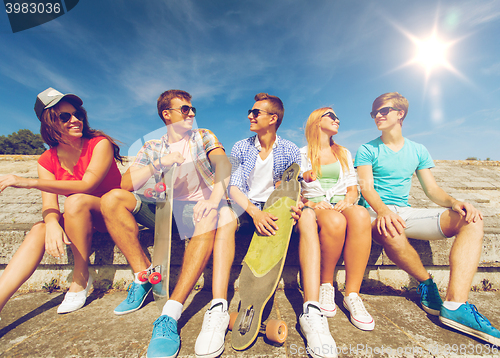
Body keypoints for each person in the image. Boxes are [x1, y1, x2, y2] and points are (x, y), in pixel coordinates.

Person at [194, 93, 337, 358]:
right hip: (246, 208)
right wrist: (253, 212)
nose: (250, 115)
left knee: (307, 217)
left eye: (255, 112)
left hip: (275, 211)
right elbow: (234, 187)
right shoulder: (240, 147)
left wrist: (293, 205)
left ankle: (312, 312)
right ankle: (218, 308)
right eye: (250, 112)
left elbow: (290, 187)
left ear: (273, 118)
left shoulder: (290, 150)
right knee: (224, 217)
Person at [354, 92, 500, 345]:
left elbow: (432, 191)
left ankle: (455, 305)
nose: (377, 115)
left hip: (404, 210)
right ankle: (426, 283)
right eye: (374, 112)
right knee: (392, 227)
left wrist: (455, 203)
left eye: (384, 110)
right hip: (373, 213)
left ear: (400, 114)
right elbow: (366, 188)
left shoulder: (418, 150)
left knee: (471, 220)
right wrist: (384, 212)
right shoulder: (367, 149)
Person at [100, 89, 231, 358]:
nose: (192, 113)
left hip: (201, 210)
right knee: (112, 199)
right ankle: (143, 277)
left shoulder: (203, 136)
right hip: (166, 212)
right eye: (185, 109)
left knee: (211, 214)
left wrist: (215, 199)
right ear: (167, 114)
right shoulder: (152, 147)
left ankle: (169, 315)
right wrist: (160, 162)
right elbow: (125, 184)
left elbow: (223, 165)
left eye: (193, 109)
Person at [0, 87, 123, 316]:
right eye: (65, 117)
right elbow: (50, 205)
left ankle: (80, 277)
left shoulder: (99, 144)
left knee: (75, 200)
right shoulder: (47, 160)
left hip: (112, 214)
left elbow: (88, 185)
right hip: (81, 221)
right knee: (40, 228)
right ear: (49, 123)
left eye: (78, 115)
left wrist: (29, 182)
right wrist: (53, 224)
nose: (75, 120)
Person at [299, 107, 374, 331]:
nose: (337, 119)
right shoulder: (301, 153)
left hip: (342, 202)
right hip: (318, 205)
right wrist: (309, 203)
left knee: (361, 214)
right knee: (334, 221)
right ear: (316, 121)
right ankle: (326, 285)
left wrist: (350, 199)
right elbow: (294, 187)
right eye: (331, 115)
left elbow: (353, 186)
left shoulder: (343, 152)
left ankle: (352, 294)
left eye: (337, 116)